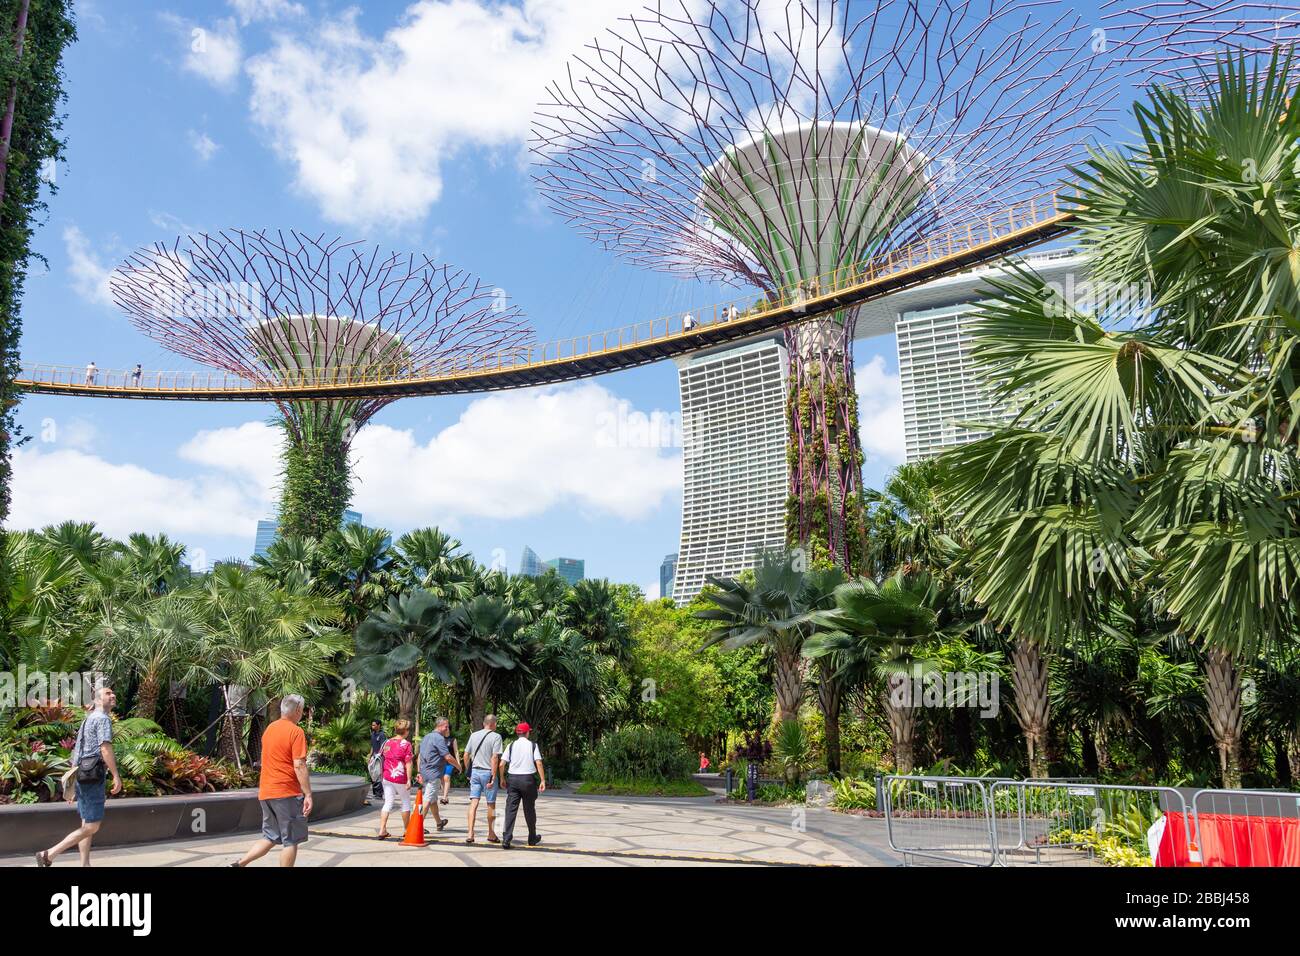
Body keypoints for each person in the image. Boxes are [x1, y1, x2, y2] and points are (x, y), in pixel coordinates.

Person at [35, 685, 122, 868]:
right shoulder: (102, 719)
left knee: (86, 822)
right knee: (92, 826)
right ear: (98, 700)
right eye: (108, 693)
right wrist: (116, 775)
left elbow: (77, 751)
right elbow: (105, 748)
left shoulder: (88, 719)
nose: (112, 695)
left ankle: (85, 864)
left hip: (83, 775)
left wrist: (73, 784)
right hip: (93, 775)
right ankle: (49, 854)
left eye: (112, 692)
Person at [232, 694, 312, 868]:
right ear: (298, 710)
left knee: (270, 836)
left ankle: (240, 864)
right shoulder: (296, 731)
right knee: (290, 841)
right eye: (302, 710)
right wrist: (308, 794)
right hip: (286, 793)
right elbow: (299, 764)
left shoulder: (270, 729)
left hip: (266, 792)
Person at [498, 721, 545, 850]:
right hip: (528, 780)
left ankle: (506, 838)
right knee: (529, 809)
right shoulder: (533, 745)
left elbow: (501, 764)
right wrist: (542, 780)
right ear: (527, 732)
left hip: (512, 780)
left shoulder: (511, 745)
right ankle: (532, 838)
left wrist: (502, 778)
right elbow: (539, 763)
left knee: (510, 809)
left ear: (517, 733)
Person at [463, 714, 503, 845]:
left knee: (473, 803)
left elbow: (466, 754)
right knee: (491, 804)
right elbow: (495, 758)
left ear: (484, 723)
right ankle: (491, 833)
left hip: (475, 771)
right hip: (487, 773)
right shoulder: (496, 737)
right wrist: (493, 776)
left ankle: (470, 833)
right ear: (492, 724)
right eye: (496, 724)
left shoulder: (474, 735)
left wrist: (468, 770)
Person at [417, 716, 460, 835]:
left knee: (433, 800)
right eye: (446, 726)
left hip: (425, 773)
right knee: (427, 800)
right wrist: (458, 766)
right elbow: (448, 757)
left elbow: (420, 756)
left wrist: (419, 771)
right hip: (433, 774)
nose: (447, 728)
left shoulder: (426, 737)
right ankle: (417, 825)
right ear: (439, 726)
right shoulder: (439, 738)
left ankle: (439, 822)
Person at [376, 719, 414, 839]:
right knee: (406, 802)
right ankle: (407, 830)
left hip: (387, 777)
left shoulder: (387, 742)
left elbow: (382, 756)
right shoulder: (406, 744)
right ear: (406, 731)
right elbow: (408, 763)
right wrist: (409, 779)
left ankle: (382, 829)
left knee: (388, 803)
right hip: (400, 778)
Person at [368, 719, 386, 800]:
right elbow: (372, 746)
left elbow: (383, 747)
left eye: (374, 725)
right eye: (372, 725)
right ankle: (375, 793)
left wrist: (378, 756)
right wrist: (370, 756)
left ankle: (379, 794)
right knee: (373, 774)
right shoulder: (372, 734)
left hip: (379, 758)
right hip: (373, 757)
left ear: (379, 725)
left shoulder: (382, 735)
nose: (372, 726)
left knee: (378, 775)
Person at [440, 733, 460, 805]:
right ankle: (445, 795)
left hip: (450, 762)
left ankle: (444, 798)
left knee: (446, 777)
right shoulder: (440, 738)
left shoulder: (453, 739)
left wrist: (458, 763)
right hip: (441, 762)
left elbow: (456, 751)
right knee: (442, 779)